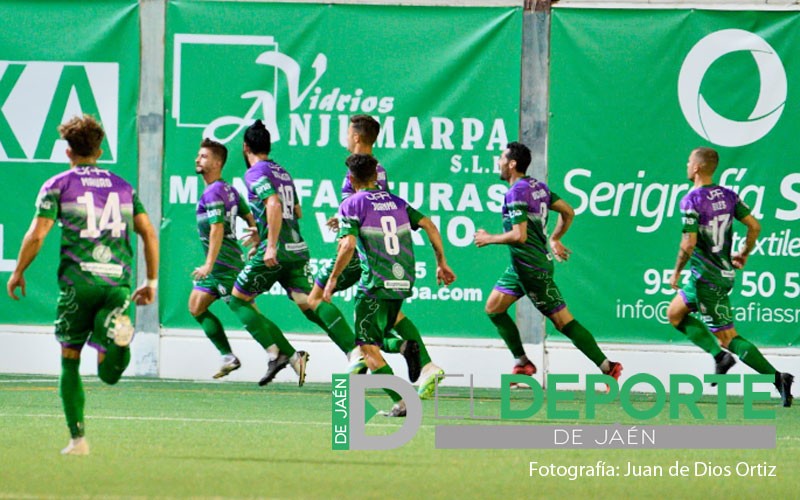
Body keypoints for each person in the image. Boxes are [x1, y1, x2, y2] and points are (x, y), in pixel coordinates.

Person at [5, 114, 159, 456]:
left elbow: (38, 233)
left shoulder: (58, 184)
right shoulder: (123, 187)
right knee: (110, 375)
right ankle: (117, 340)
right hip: (117, 284)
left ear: (68, 151)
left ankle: (78, 440)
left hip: (79, 284)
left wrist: (18, 271)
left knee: (70, 359)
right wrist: (150, 281)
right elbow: (148, 231)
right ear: (100, 149)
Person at [307, 114, 444, 397]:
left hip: (361, 252)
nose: (345, 138)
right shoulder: (377, 170)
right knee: (390, 317)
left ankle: (356, 354)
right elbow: (378, 207)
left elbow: (359, 210)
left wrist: (345, 231)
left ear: (357, 137)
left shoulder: (354, 174)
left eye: (347, 133)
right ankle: (422, 360)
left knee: (317, 298)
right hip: (382, 253)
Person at [474, 141, 622, 387]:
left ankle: (609, 367)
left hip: (532, 269)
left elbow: (519, 236)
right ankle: (522, 363)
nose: (498, 162)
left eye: (501, 158)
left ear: (512, 164)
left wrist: (488, 238)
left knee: (564, 322)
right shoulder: (538, 187)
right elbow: (568, 211)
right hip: (520, 267)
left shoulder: (516, 193)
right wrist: (554, 238)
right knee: (493, 308)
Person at [323, 153, 456, 417]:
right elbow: (429, 225)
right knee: (379, 337)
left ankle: (403, 401)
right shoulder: (397, 202)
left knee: (366, 347)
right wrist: (441, 262)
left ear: (351, 179)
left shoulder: (351, 203)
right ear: (376, 176)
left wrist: (333, 279)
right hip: (402, 280)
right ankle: (404, 347)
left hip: (374, 283)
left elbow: (348, 244)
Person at [229, 120, 353, 386]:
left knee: (238, 299)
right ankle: (354, 352)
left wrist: (270, 243)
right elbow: (296, 211)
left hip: (277, 251)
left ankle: (277, 353)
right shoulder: (282, 171)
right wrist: (263, 230)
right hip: (297, 247)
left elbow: (273, 204)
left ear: (245, 147)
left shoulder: (254, 173)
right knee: (311, 303)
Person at [667, 147, 793, 407]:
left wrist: (676, 270)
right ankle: (719, 357)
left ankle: (778, 378)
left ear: (698, 168)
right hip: (713, 273)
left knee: (728, 338)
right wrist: (744, 254)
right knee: (675, 313)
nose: (687, 164)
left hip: (707, 279)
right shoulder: (728, 196)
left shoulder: (691, 200)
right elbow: (755, 226)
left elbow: (688, 243)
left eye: (689, 161)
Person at [189, 138, 261, 379]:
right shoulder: (228, 189)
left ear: (218, 163)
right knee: (196, 306)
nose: (198, 160)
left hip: (225, 264)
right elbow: (249, 215)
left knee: (248, 312)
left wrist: (208, 264)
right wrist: (256, 233)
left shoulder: (215, 191)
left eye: (204, 156)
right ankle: (228, 356)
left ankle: (285, 354)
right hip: (218, 267)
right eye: (198, 156)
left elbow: (217, 228)